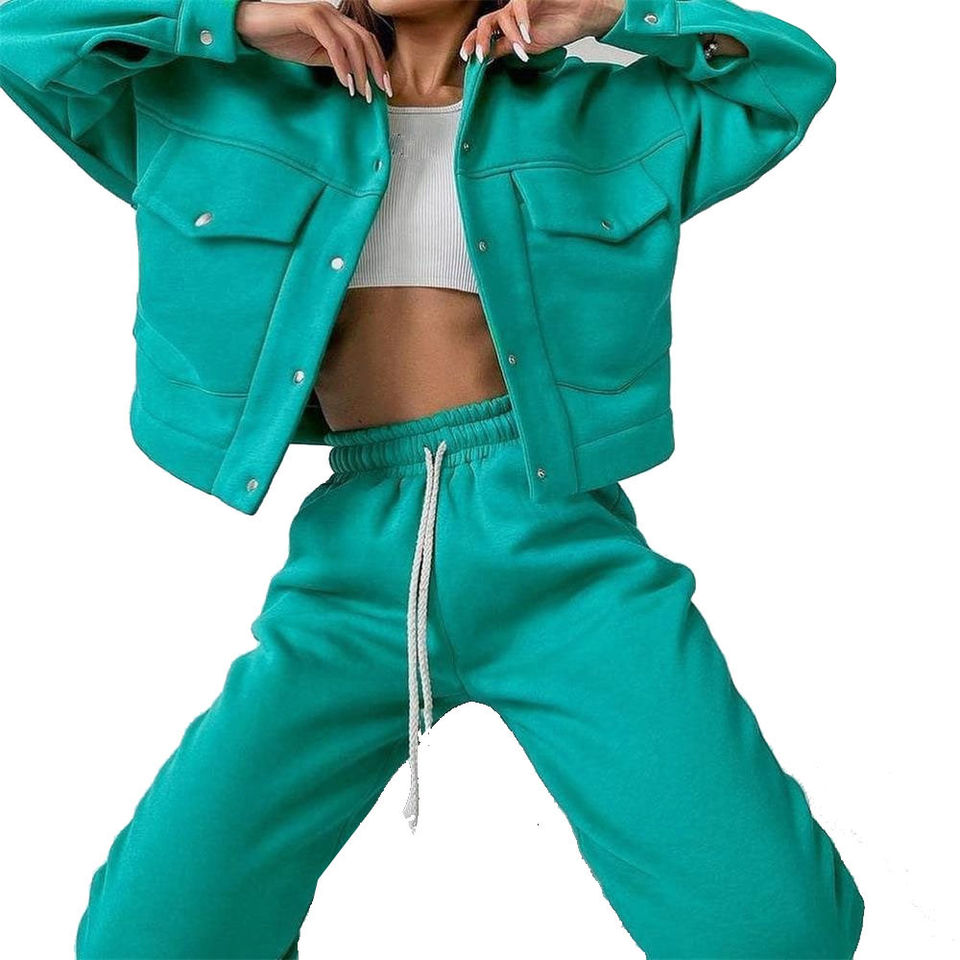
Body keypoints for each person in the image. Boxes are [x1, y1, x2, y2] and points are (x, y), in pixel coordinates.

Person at [0, 0, 864, 956]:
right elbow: (19, 39)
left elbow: (785, 81)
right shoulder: (220, 101)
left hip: (561, 555)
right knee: (146, 942)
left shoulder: (602, 114)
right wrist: (232, 20)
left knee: (777, 933)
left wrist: (613, 10)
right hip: (355, 571)